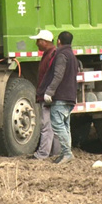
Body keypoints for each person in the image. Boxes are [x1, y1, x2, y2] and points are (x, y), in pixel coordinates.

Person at [38, 31, 80, 165]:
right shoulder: (72, 55)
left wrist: (49, 92)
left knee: (57, 125)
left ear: (59, 41)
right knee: (65, 125)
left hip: (61, 96)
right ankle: (64, 154)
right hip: (70, 95)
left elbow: (58, 75)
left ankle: (67, 153)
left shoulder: (61, 55)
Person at [30, 30, 61, 160]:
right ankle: (56, 152)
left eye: (38, 41)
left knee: (46, 125)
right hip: (49, 94)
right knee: (54, 125)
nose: (37, 43)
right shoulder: (49, 54)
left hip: (49, 95)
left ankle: (43, 154)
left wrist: (49, 93)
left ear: (45, 42)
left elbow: (55, 76)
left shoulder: (53, 55)